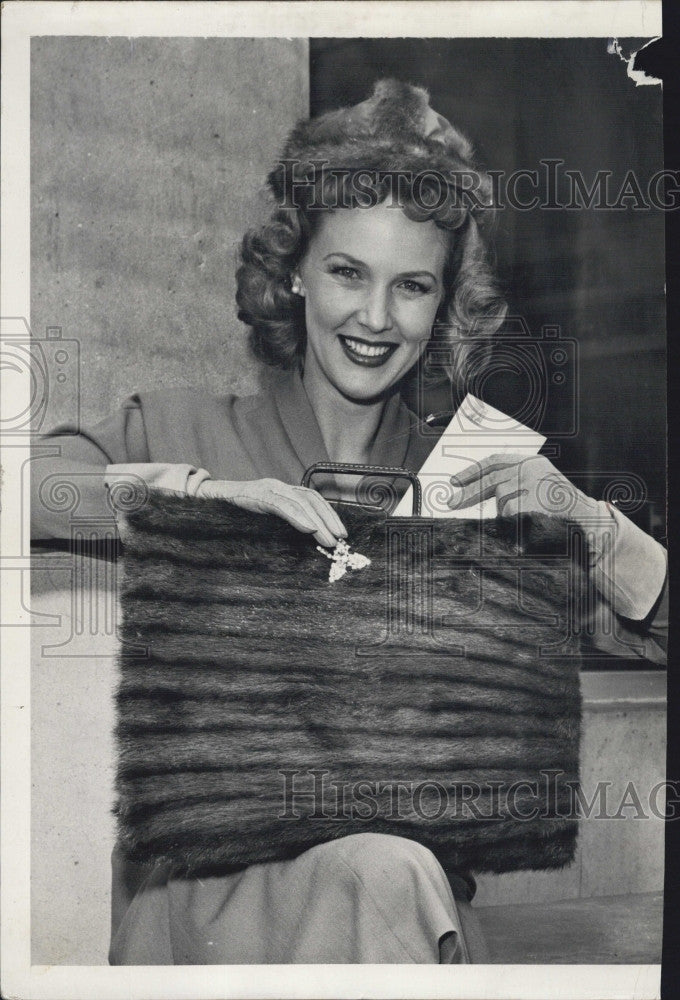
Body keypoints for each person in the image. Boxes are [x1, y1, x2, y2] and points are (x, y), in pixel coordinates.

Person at [32, 79, 667, 964]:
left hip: (409, 901)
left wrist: (596, 527)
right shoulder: (185, 426)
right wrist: (195, 495)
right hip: (215, 903)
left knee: (395, 874)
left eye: (411, 286)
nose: (375, 319)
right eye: (346, 273)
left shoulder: (475, 475)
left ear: (442, 302)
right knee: (388, 875)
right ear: (292, 271)